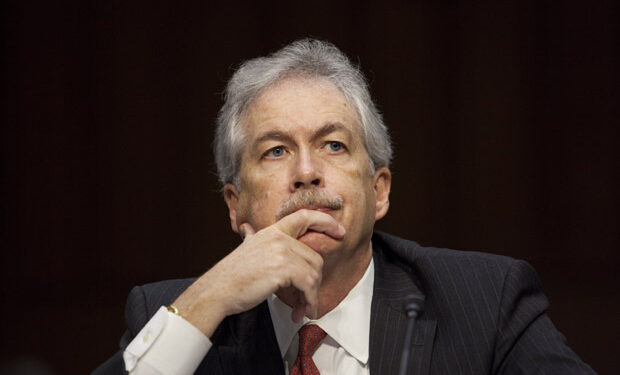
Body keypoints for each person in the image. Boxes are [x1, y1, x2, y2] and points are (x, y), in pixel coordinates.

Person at [93, 39, 596, 375]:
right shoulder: (181, 315)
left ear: (379, 191)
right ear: (235, 205)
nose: (307, 172)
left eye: (333, 145)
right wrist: (208, 301)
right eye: (275, 150)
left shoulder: (486, 303)